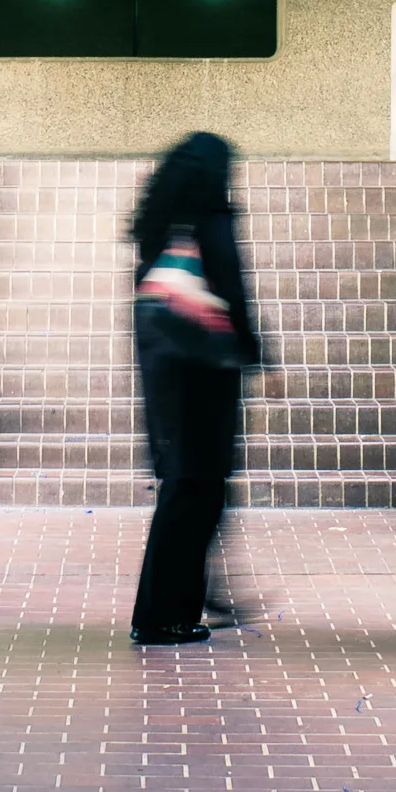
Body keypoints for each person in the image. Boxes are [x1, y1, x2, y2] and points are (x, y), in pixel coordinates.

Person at [129, 131, 265, 645]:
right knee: (201, 489)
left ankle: (167, 610)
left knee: (183, 488)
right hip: (207, 376)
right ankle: (166, 615)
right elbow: (231, 288)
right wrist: (252, 349)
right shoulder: (212, 221)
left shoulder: (158, 229)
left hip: (167, 376)